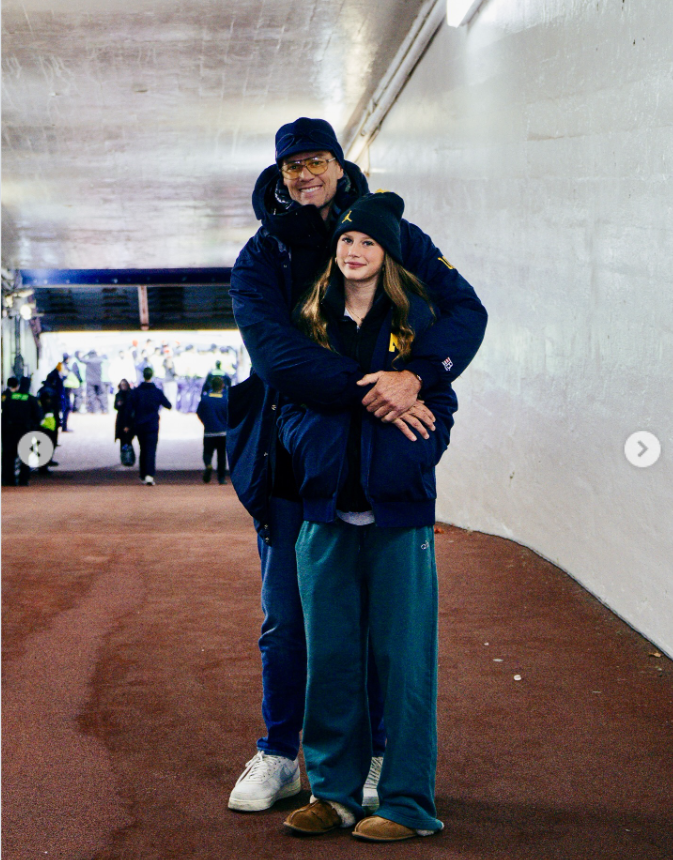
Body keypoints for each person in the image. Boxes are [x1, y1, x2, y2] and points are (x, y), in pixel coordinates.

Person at [226, 117, 487, 813]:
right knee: (287, 618)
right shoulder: (263, 256)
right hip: (292, 463)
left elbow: (464, 310)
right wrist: (378, 387)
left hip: (376, 462)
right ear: (278, 176)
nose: (303, 175)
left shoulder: (390, 232)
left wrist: (422, 374)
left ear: (340, 166)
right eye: (290, 167)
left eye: (315, 162)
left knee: (377, 623)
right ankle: (281, 752)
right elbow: (274, 354)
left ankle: (373, 759)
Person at [279, 192, 451, 841]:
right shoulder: (309, 320)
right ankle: (334, 794)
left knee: (403, 662)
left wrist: (411, 452)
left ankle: (407, 802)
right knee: (330, 658)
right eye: (346, 241)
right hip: (323, 517)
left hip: (398, 518)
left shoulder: (414, 323)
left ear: (387, 256)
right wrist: (319, 436)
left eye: (368, 243)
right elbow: (289, 404)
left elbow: (440, 408)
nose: (353, 251)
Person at [128, 366, 172, 485]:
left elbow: (129, 407)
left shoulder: (136, 392)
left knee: (143, 449)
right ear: (151, 375)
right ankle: (149, 475)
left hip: (139, 424)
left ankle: (142, 474)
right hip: (152, 424)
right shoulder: (157, 391)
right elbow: (168, 405)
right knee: (151, 450)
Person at [1, 377, 42, 486]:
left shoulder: (10, 397)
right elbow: (38, 416)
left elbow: (4, 415)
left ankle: (9, 480)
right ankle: (23, 480)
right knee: (25, 456)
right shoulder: (31, 399)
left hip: (10, 430)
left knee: (9, 456)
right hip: (25, 430)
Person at [196, 375, 228, 484]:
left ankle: (208, 464)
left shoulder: (205, 399)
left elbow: (199, 413)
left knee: (207, 453)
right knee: (221, 456)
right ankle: (221, 478)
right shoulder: (225, 400)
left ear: (211, 385)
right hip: (223, 432)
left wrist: (205, 422)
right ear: (222, 386)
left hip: (209, 431)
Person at [114, 379, 134, 453]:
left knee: (128, 439)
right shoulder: (119, 395)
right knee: (123, 439)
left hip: (130, 419)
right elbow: (116, 406)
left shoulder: (131, 394)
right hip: (121, 420)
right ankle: (124, 454)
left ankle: (128, 453)